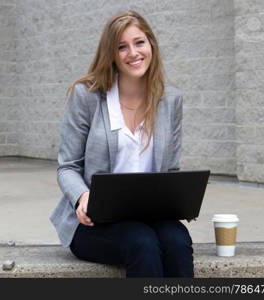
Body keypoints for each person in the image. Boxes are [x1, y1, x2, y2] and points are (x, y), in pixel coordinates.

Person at [50, 10, 194, 278]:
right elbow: (67, 167)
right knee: (141, 243)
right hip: (94, 221)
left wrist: (181, 201)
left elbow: (170, 171)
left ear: (151, 44)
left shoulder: (170, 100)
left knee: (177, 242)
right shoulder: (87, 96)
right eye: (121, 47)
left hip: (150, 215)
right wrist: (83, 196)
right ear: (111, 54)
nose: (133, 53)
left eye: (139, 42)